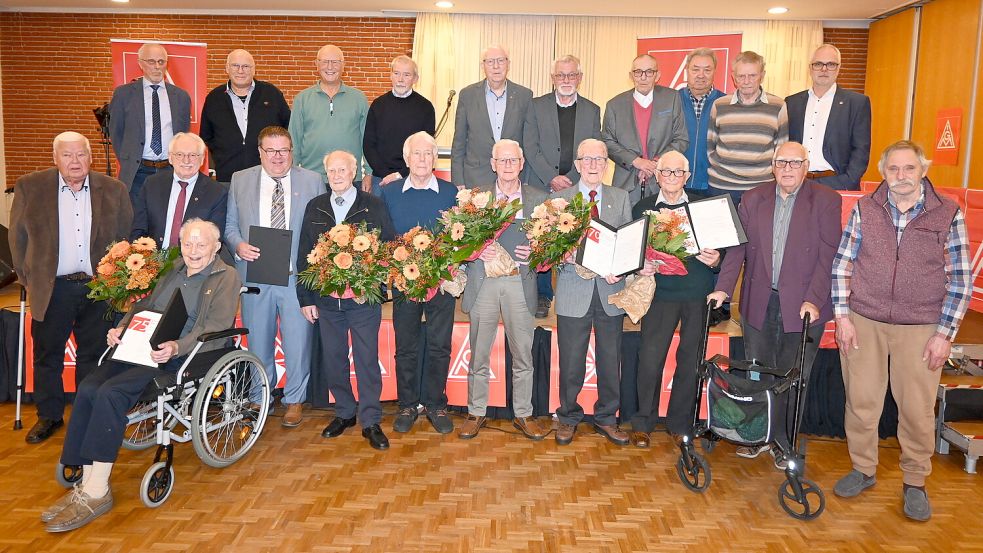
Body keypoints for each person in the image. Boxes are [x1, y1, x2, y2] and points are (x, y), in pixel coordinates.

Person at [40, 219, 241, 533]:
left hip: (180, 356)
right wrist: (121, 327)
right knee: (90, 386)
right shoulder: (174, 268)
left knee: (111, 393)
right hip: (141, 344)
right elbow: (145, 304)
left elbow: (215, 327)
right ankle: (86, 476)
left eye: (201, 245)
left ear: (216, 248)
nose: (193, 250)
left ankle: (97, 491)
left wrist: (176, 346)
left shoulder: (225, 276)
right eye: (188, 243)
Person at [831, 140, 971, 521]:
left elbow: (960, 279)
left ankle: (915, 481)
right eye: (893, 169)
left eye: (909, 168)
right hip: (865, 321)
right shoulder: (865, 208)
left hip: (922, 326)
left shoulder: (948, 213)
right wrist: (843, 317)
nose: (901, 177)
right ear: (883, 171)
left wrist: (945, 334)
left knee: (916, 410)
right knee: (861, 402)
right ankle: (863, 469)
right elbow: (843, 263)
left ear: (923, 170)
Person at [708, 141, 841, 468]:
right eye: (782, 162)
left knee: (793, 377)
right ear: (772, 165)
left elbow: (828, 257)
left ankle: (785, 442)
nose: (787, 168)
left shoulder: (826, 200)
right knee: (757, 372)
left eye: (795, 163)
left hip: (805, 307)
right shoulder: (753, 199)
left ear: (806, 167)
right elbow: (737, 249)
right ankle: (758, 435)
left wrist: (814, 298)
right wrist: (723, 289)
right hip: (759, 302)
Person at [9, 131, 132, 444]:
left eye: (81, 155)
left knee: (93, 355)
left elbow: (124, 238)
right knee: (48, 356)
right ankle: (49, 416)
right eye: (67, 155)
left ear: (90, 158)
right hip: (53, 289)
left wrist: (115, 283)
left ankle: (85, 413)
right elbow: (17, 241)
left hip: (98, 289)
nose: (75, 161)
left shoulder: (114, 190)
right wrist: (30, 279)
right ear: (55, 158)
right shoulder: (30, 187)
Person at [297, 150, 397, 450]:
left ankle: (370, 420)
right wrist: (306, 298)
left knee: (366, 360)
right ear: (326, 174)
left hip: (363, 301)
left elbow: (389, 246)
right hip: (327, 302)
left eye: (343, 170)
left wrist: (374, 281)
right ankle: (344, 412)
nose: (337, 176)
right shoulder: (315, 207)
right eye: (332, 171)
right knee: (334, 358)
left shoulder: (373, 205)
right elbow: (304, 253)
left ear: (354, 172)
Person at [225, 125, 322, 427]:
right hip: (255, 275)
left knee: (297, 342)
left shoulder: (312, 180)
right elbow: (229, 225)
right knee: (258, 340)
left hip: (295, 278)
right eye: (271, 151)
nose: (278, 157)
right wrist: (238, 245)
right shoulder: (241, 180)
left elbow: (321, 229)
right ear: (260, 152)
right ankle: (260, 395)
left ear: (292, 151)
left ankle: (294, 399)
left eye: (284, 150)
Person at [457, 139, 548, 442]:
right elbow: (459, 242)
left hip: (519, 283)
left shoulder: (539, 199)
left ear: (522, 163)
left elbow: (551, 247)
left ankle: (523, 413)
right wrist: (475, 251)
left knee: (523, 354)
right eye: (502, 161)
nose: (508, 166)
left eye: (514, 160)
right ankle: (475, 412)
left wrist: (536, 253)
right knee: (479, 353)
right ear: (493, 164)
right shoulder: (475, 198)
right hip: (483, 282)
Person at [630, 151, 721, 447]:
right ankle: (643, 422)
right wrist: (638, 264)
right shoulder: (641, 208)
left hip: (697, 292)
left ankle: (680, 424)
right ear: (656, 176)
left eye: (677, 172)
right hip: (659, 294)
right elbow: (632, 251)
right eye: (666, 172)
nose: (671, 177)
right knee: (650, 359)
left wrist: (716, 259)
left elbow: (725, 249)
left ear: (687, 175)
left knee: (690, 361)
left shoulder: (704, 206)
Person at [553, 138, 633, 446]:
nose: (593, 165)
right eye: (587, 160)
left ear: (607, 165)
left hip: (610, 291)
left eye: (600, 160)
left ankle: (606, 418)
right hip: (574, 290)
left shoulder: (620, 197)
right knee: (571, 360)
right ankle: (568, 416)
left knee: (610, 359)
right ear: (577, 164)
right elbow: (547, 248)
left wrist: (623, 268)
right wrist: (559, 254)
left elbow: (627, 243)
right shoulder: (560, 200)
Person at [379, 132, 458, 434]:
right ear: (407, 158)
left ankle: (436, 404)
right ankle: (407, 404)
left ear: (435, 159)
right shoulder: (390, 192)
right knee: (406, 346)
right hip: (405, 282)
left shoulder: (450, 193)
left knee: (439, 345)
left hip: (441, 282)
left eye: (428, 154)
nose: (423, 159)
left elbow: (458, 238)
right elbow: (384, 237)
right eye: (417, 154)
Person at [523, 54, 602, 318]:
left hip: (576, 185)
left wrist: (569, 178)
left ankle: (574, 290)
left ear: (580, 78)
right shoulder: (534, 106)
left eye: (571, 75)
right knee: (543, 238)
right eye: (560, 75)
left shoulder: (592, 110)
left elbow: (592, 151)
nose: (566, 80)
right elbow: (530, 147)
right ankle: (543, 295)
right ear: (553, 78)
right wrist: (551, 177)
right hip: (541, 184)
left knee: (573, 237)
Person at [108, 42, 192, 200]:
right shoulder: (124, 95)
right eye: (151, 62)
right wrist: (130, 158)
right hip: (137, 171)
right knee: (137, 220)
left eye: (161, 62)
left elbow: (184, 135)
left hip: (171, 169)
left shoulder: (181, 97)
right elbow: (116, 133)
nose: (157, 67)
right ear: (140, 63)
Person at [602, 54, 689, 204]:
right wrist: (636, 161)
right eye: (638, 72)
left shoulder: (672, 98)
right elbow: (607, 142)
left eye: (649, 72)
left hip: (663, 181)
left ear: (657, 75)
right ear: (631, 75)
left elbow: (681, 139)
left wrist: (655, 163)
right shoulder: (614, 105)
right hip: (627, 183)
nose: (643, 77)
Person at [786, 44, 872, 191]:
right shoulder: (791, 103)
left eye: (831, 64)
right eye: (818, 64)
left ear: (838, 68)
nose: (824, 69)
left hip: (837, 185)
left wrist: (847, 182)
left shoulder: (857, 103)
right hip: (796, 183)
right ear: (810, 68)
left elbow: (861, 150)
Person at [706, 51, 789, 202]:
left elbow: (781, 150)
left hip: (762, 187)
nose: (746, 81)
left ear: (762, 76)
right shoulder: (719, 105)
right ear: (733, 77)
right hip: (722, 186)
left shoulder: (778, 106)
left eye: (752, 75)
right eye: (741, 76)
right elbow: (710, 145)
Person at [130, 133, 228, 260]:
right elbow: (138, 230)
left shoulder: (216, 192)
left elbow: (214, 240)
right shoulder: (152, 184)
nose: (186, 160)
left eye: (193, 155)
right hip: (152, 262)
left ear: (202, 159)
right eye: (179, 155)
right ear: (170, 158)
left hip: (193, 264)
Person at [200, 49, 291, 183]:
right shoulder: (214, 98)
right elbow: (206, 136)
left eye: (246, 66)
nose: (240, 71)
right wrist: (224, 153)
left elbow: (287, 129)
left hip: (267, 175)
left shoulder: (272, 94)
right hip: (228, 177)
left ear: (254, 70)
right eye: (235, 66)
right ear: (227, 68)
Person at [451, 45, 532, 188]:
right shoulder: (467, 95)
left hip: (513, 179)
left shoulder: (524, 96)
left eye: (500, 60)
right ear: (483, 66)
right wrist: (458, 181)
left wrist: (526, 181)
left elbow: (529, 143)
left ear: (508, 64)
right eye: (490, 62)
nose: (496, 66)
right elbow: (459, 143)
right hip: (476, 179)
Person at [289, 44, 369, 187]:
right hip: (311, 178)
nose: (330, 67)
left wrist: (368, 173)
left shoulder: (359, 99)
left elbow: (368, 140)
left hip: (350, 178)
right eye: (325, 62)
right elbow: (294, 140)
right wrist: (292, 174)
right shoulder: (302, 99)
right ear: (317, 65)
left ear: (343, 65)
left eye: (335, 62)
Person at [363, 55, 436, 194]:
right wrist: (386, 174)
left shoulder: (425, 107)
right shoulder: (378, 105)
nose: (400, 79)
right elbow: (368, 145)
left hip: (412, 178)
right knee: (380, 216)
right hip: (381, 180)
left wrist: (400, 174)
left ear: (415, 79)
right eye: (396, 73)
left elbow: (426, 148)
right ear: (390, 75)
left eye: (406, 75)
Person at [678, 48, 725, 191]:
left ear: (714, 72)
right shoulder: (673, 101)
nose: (701, 75)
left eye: (707, 70)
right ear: (687, 71)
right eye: (695, 69)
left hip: (714, 185)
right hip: (677, 185)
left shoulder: (725, 103)